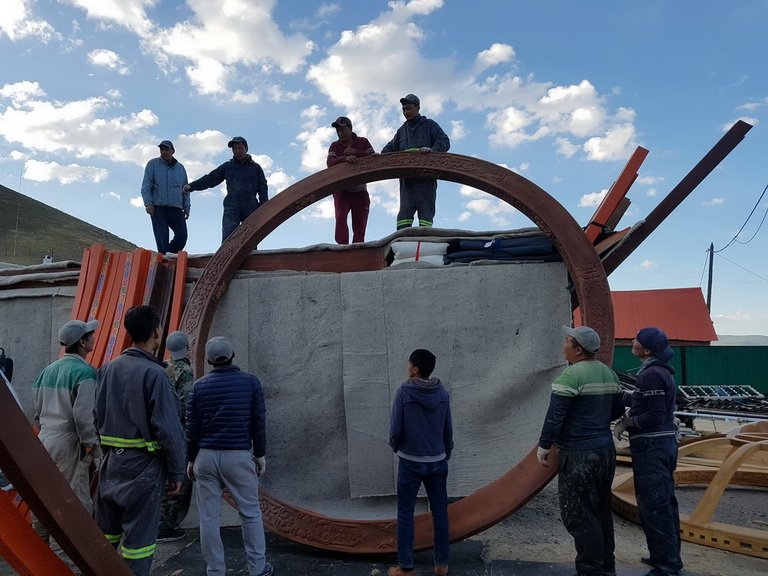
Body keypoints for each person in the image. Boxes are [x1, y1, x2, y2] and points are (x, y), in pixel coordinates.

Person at [94, 305, 186, 576]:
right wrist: (177, 472)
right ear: (156, 332)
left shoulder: (107, 369)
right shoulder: (156, 374)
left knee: (105, 537)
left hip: (111, 464)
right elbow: (169, 430)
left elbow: (96, 416)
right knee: (138, 544)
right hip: (143, 469)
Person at [537, 326, 624, 576]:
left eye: (567, 341)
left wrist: (544, 446)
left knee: (580, 514)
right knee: (601, 511)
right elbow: (617, 410)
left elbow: (555, 416)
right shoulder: (609, 374)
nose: (563, 345)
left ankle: (590, 570)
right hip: (605, 452)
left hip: (578, 455)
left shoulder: (570, 376)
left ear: (577, 349)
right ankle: (607, 568)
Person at [186, 337, 272, 576]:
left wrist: (191, 459)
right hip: (238, 456)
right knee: (250, 513)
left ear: (209, 360)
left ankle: (215, 571)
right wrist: (260, 454)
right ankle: (257, 568)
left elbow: (191, 429)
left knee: (208, 518)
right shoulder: (250, 383)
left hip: (205, 458)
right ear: (233, 355)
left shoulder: (198, 387)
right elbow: (258, 422)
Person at [613, 327, 683, 576]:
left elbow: (654, 415)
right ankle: (665, 557)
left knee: (654, 505)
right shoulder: (657, 372)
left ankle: (667, 567)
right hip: (661, 446)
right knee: (663, 503)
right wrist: (621, 395)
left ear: (646, 350)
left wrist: (628, 422)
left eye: (637, 340)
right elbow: (644, 401)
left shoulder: (651, 375)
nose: (633, 341)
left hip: (653, 448)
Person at [388, 349, 453, 576]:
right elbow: (447, 429)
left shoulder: (404, 392)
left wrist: (396, 446)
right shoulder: (442, 393)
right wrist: (446, 452)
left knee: (406, 512)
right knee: (440, 512)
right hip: (437, 461)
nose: (407, 366)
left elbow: (395, 428)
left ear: (415, 369)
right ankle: (441, 565)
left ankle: (406, 567)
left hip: (411, 461)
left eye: (409, 363)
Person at [32, 319, 101, 513]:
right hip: (69, 444)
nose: (94, 337)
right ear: (82, 342)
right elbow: (84, 419)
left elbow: (37, 414)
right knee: (74, 503)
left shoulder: (46, 371)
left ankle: (42, 533)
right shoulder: (85, 373)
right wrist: (94, 449)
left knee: (48, 498)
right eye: (90, 334)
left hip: (45, 440)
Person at [381, 94, 450, 230]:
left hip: (426, 177)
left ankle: (424, 239)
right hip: (407, 180)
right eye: (404, 109)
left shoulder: (430, 125)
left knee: (426, 214)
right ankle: (403, 240)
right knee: (404, 215)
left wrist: (432, 151)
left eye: (409, 108)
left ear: (417, 107)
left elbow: (444, 141)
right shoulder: (402, 131)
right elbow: (388, 150)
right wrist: (378, 158)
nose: (406, 112)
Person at [184, 136, 268, 243]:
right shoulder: (228, 166)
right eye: (234, 149)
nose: (237, 151)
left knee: (250, 237)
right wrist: (192, 186)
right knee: (228, 237)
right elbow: (211, 178)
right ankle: (226, 254)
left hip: (250, 205)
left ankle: (251, 253)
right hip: (232, 204)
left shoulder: (255, 168)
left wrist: (263, 206)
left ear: (246, 149)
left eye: (240, 148)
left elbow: (263, 187)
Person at [157, 330, 195, 542]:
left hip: (160, 430)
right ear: (187, 348)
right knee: (178, 479)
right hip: (179, 433)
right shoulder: (185, 371)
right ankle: (165, 526)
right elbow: (186, 404)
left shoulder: (162, 368)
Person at [326, 116, 375, 244]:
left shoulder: (363, 141)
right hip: (341, 190)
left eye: (342, 130)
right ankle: (341, 248)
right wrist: (345, 158)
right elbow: (330, 163)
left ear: (350, 128)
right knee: (340, 218)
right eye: (338, 131)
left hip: (360, 190)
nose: (340, 133)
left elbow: (374, 159)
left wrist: (355, 152)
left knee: (360, 225)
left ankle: (357, 249)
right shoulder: (335, 145)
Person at [141, 140, 190, 254]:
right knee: (162, 240)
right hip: (158, 208)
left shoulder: (181, 168)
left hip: (176, 208)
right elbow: (146, 186)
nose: (164, 152)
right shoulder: (152, 164)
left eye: (167, 149)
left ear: (173, 151)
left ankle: (168, 256)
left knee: (182, 236)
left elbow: (186, 189)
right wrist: (148, 203)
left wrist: (187, 207)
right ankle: (164, 257)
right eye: (162, 149)